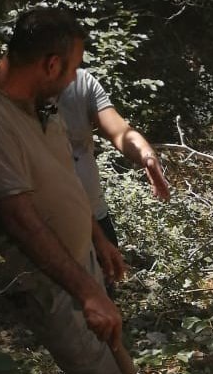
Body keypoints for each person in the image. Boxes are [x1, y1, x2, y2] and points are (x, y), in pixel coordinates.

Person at [0, 8, 165, 374]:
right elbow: (21, 219)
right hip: (42, 278)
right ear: (49, 64)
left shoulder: (38, 101)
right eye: (70, 69)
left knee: (106, 372)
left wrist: (94, 237)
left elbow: (60, 182)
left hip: (76, 261)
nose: (74, 80)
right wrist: (88, 291)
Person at [56, 67, 170, 250]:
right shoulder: (12, 96)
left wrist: (147, 156)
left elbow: (119, 131)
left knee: (106, 275)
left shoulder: (80, 81)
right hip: (47, 220)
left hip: (94, 210)